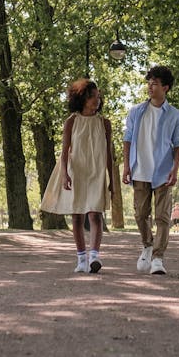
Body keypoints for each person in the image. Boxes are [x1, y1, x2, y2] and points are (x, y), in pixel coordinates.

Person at [40, 79, 116, 274]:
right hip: (77, 172)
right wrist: (64, 175)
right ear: (82, 98)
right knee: (77, 216)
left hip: (97, 172)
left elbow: (109, 154)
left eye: (98, 97)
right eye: (92, 97)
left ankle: (94, 256)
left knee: (95, 214)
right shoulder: (71, 121)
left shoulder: (104, 123)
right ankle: (81, 258)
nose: (97, 100)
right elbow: (65, 151)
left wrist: (112, 180)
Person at [122, 65, 179, 276]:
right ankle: (147, 245)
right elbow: (127, 140)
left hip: (163, 173)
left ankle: (158, 259)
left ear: (165, 88)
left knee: (163, 217)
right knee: (140, 214)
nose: (150, 87)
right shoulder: (136, 112)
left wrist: (175, 169)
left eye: (155, 83)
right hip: (139, 170)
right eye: (149, 83)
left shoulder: (175, 115)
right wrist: (126, 166)